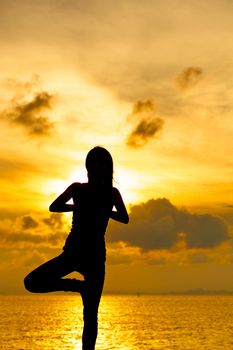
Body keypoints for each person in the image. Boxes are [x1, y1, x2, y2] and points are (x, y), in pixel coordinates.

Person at [24, 146, 129, 350]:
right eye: (94, 163)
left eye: (102, 163)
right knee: (31, 282)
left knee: (91, 317)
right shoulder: (77, 189)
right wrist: (77, 207)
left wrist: (105, 211)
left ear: (107, 168)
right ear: (89, 166)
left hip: (96, 259)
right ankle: (77, 286)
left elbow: (125, 218)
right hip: (73, 253)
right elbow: (54, 206)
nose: (97, 167)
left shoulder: (112, 193)